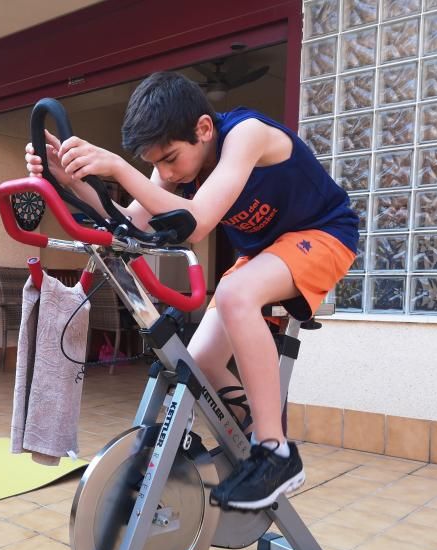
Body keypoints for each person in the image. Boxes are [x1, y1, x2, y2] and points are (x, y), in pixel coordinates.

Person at [24, 71, 358, 510]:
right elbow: (131, 222)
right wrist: (67, 182)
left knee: (237, 293)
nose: (164, 173)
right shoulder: (184, 163)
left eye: (168, 159)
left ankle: (276, 453)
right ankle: (244, 442)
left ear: (203, 128)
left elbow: (197, 221)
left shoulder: (247, 135)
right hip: (264, 255)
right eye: (155, 165)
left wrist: (121, 169)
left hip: (324, 234)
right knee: (198, 363)